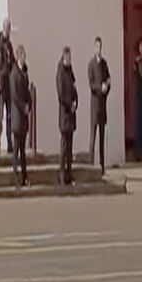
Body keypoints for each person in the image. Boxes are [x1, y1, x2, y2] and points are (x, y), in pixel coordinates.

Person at [87, 37, 111, 175]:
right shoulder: (91, 64)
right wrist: (99, 87)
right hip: (95, 104)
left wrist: (106, 87)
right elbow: (91, 84)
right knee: (93, 136)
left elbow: (108, 80)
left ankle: (102, 166)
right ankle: (91, 164)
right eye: (97, 46)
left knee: (102, 137)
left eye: (100, 46)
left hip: (103, 104)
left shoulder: (104, 64)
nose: (99, 49)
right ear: (94, 47)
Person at [9, 45, 31, 187]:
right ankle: (16, 177)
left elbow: (27, 91)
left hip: (23, 117)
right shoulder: (14, 73)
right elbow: (15, 95)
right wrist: (23, 106)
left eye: (25, 55)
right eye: (22, 56)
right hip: (17, 116)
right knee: (16, 149)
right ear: (18, 57)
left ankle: (24, 176)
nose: (24, 58)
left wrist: (29, 104)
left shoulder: (24, 72)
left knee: (22, 149)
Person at [56, 47, 78, 186]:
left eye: (70, 58)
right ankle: (62, 175)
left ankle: (70, 174)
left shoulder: (70, 72)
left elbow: (74, 88)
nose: (69, 60)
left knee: (70, 146)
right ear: (63, 57)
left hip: (72, 113)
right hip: (65, 114)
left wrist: (76, 102)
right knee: (64, 146)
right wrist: (70, 104)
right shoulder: (60, 73)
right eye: (67, 58)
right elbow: (61, 94)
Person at [0, 18, 15, 153]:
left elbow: (11, 62)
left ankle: (9, 142)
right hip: (2, 85)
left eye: (9, 28)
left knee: (9, 115)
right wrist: (5, 74)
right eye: (6, 28)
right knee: (1, 115)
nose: (8, 31)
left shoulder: (9, 46)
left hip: (9, 85)